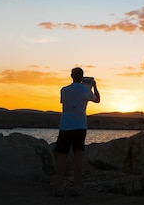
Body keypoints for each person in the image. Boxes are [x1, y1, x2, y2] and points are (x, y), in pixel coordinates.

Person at [52, 67, 100, 196]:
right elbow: (97, 100)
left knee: (61, 157)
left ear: (71, 76)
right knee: (78, 157)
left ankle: (58, 187)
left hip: (65, 126)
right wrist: (94, 87)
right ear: (82, 77)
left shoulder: (64, 90)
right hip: (80, 126)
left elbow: (64, 106)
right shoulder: (86, 90)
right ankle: (77, 187)